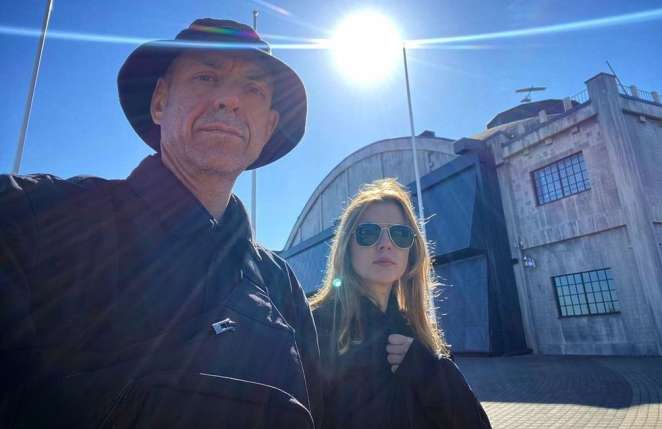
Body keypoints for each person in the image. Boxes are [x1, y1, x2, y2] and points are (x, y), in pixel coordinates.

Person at [0, 19, 321, 428]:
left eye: (253, 89)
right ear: (159, 102)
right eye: (206, 77)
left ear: (268, 127)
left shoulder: (281, 285)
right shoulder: (35, 219)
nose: (229, 99)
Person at [310, 178, 491, 429]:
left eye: (400, 234)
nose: (386, 244)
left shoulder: (420, 336)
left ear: (411, 251)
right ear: (346, 247)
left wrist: (432, 373)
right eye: (368, 233)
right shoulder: (315, 328)